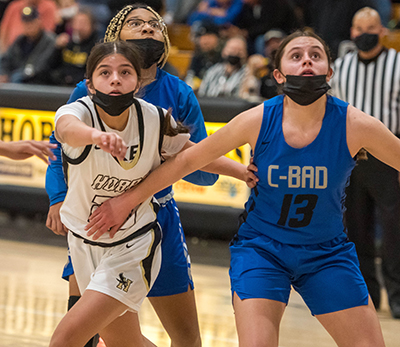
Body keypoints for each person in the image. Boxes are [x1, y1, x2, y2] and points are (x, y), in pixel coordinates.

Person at [86, 29, 396, 347]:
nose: (306, 60)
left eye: (315, 55)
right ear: (278, 74)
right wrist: (127, 201)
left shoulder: (356, 124)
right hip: (263, 249)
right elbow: (185, 161)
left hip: (326, 252)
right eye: (296, 55)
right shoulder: (257, 119)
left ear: (329, 72)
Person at [45, 4, 255, 347]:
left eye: (154, 25)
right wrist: (57, 195)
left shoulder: (163, 108)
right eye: (136, 23)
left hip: (148, 222)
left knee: (181, 337)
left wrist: (240, 172)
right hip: (89, 225)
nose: (147, 30)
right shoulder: (83, 100)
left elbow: (196, 159)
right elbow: (62, 138)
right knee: (112, 339)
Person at [331, 7, 400, 319]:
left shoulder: (397, 64)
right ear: (352, 32)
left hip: (389, 158)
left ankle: (397, 296)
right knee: (355, 231)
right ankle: (368, 297)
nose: (363, 34)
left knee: (394, 230)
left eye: (370, 28)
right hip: (351, 158)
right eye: (358, 29)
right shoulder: (341, 66)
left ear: (382, 30)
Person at [0, 6, 56, 84]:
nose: (29, 26)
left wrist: (21, 74)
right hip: (17, 75)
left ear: (39, 22)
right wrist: (3, 73)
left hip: (38, 81)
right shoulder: (20, 40)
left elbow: (42, 66)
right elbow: (6, 59)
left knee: (16, 78)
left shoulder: (49, 41)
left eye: (31, 22)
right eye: (26, 23)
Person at [47, 8, 99, 86]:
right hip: (61, 85)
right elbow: (50, 66)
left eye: (83, 23)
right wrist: (57, 48)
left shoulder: (96, 46)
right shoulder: (67, 43)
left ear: (91, 26)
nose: (79, 27)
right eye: (77, 23)